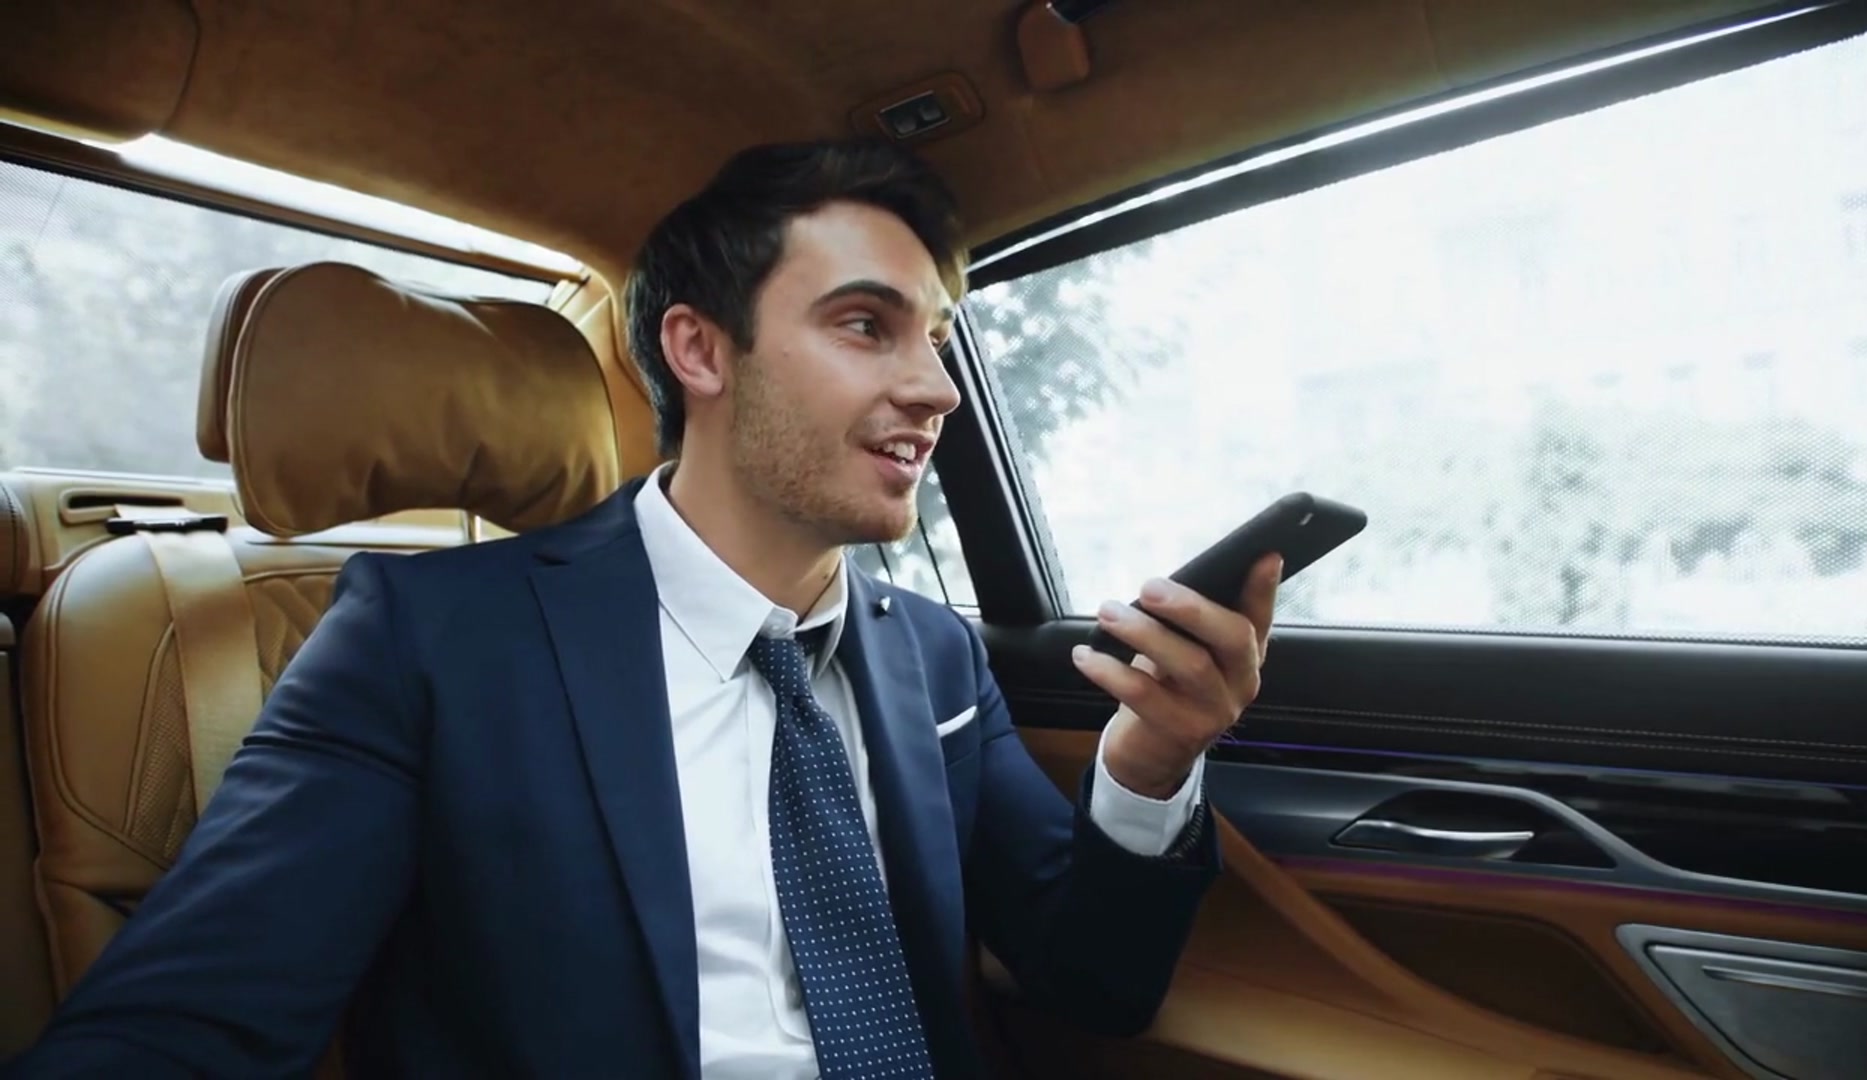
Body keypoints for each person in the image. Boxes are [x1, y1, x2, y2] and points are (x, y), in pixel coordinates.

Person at [7, 138, 1281, 1079]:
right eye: (866, 326)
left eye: (936, 338)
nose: (937, 389)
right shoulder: (427, 640)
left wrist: (1149, 765)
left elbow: (1091, 986)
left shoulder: (934, 655)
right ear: (699, 350)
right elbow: (191, 1026)